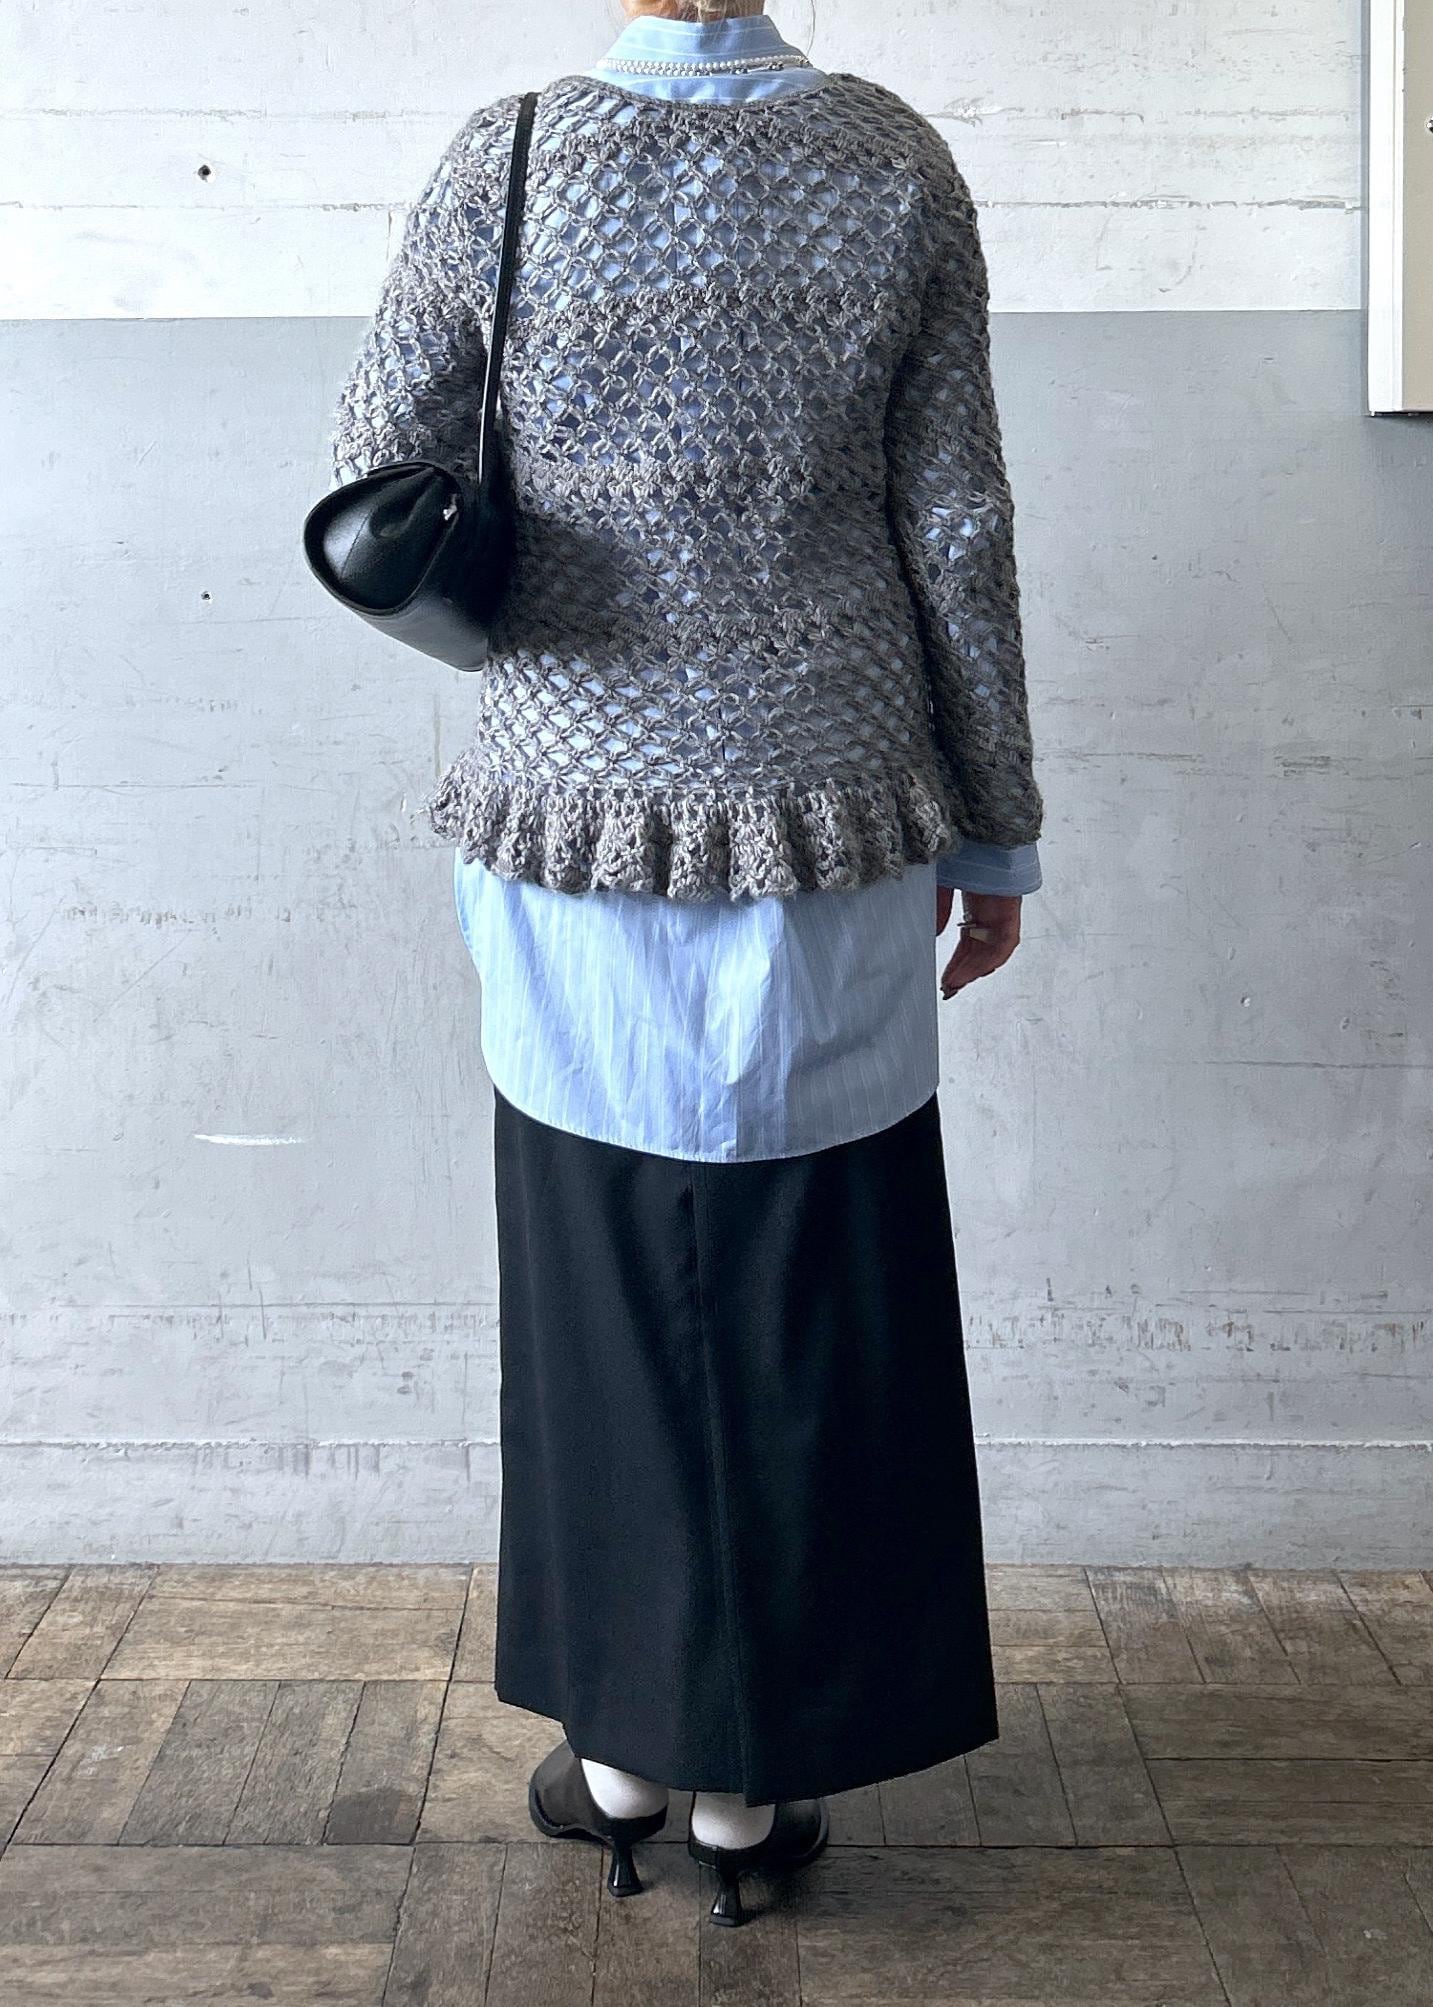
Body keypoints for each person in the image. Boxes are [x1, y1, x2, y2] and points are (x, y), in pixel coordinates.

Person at [330, 0, 1043, 1928]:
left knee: (602, 1275)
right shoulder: (891, 160)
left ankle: (625, 1753)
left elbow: (377, 466)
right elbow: (956, 524)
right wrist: (994, 832)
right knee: (818, 1286)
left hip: (570, 820)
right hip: (833, 815)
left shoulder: (509, 154)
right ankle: (758, 1776)